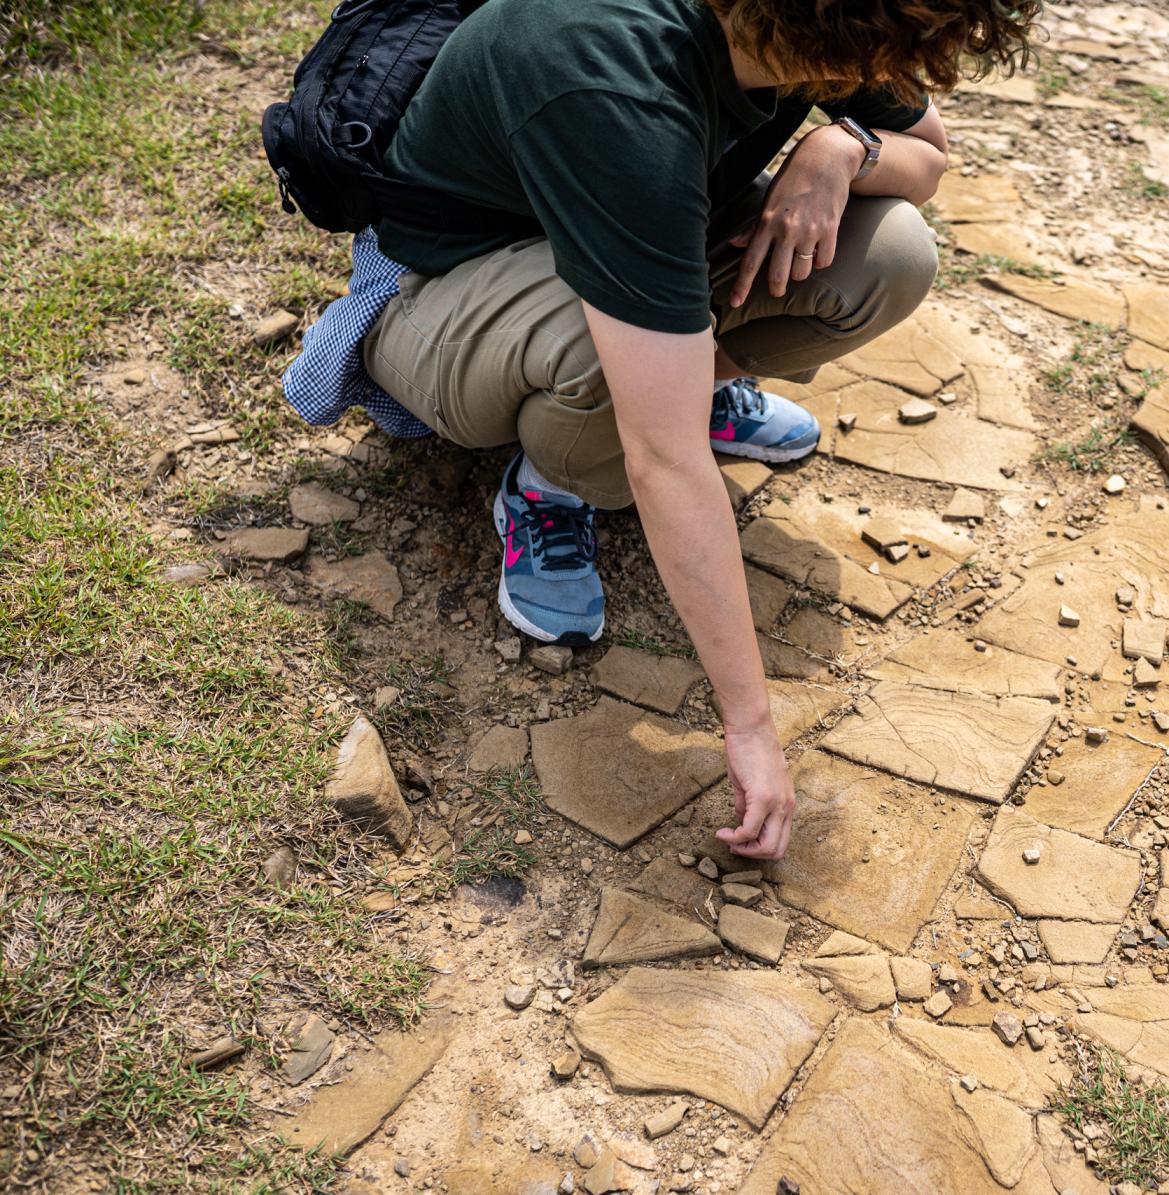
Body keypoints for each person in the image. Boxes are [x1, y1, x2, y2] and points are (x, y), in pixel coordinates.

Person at [282, 0, 1039, 860]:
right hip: (436, 288)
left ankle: (671, 378)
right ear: (837, 52)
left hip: (615, 232)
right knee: (610, 374)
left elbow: (930, 156)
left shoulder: (808, 22)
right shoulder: (619, 82)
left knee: (890, 251)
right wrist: (750, 725)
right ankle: (552, 479)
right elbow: (669, 464)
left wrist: (841, 149)